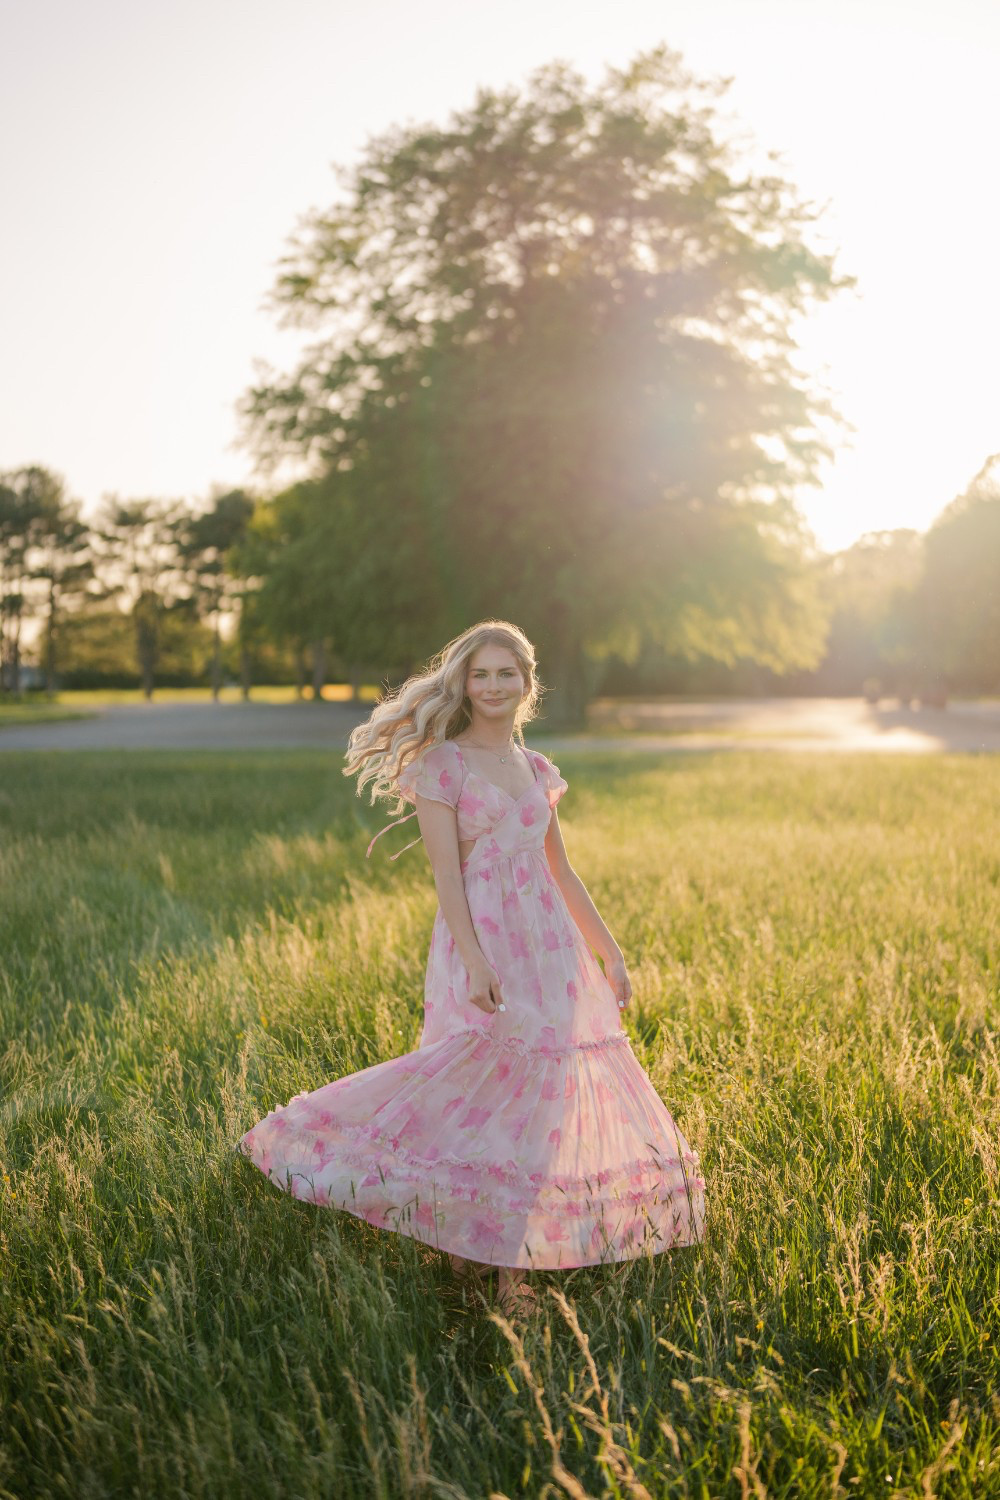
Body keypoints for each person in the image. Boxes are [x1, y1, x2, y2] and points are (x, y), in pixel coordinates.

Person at [236, 620, 705, 1316]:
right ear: (463, 683)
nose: (493, 687)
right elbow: (447, 879)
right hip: (483, 942)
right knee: (475, 1083)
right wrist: (476, 961)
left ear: (526, 682)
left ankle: (501, 1266)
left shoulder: (536, 769)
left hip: (549, 948)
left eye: (505, 675)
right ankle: (447, 1236)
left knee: (541, 1100)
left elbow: (562, 871)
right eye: (481, 675)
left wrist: (609, 950)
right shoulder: (443, 767)